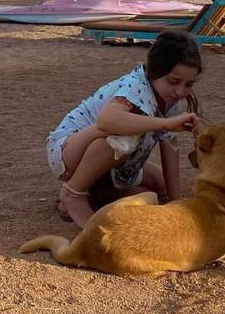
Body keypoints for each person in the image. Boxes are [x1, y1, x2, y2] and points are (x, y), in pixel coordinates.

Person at [46, 30, 201, 228]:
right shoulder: (135, 86)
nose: (180, 91)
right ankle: (73, 193)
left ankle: (97, 193)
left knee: (161, 186)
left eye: (189, 84)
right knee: (122, 135)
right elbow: (106, 122)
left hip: (114, 163)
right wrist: (165, 123)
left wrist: (175, 203)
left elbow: (169, 146)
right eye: (173, 81)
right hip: (69, 151)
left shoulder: (171, 101)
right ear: (155, 71)